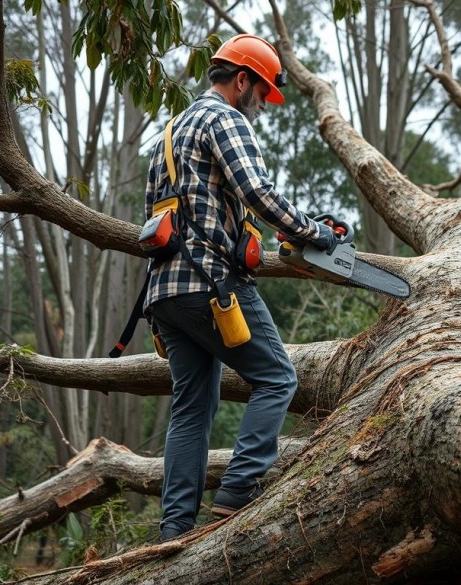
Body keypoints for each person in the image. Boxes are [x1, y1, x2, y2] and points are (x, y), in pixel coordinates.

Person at [143, 34, 338, 541]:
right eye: (262, 92)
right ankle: (239, 490)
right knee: (277, 378)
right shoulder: (224, 118)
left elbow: (167, 212)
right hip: (211, 285)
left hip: (164, 293)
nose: (261, 106)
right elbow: (256, 189)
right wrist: (312, 232)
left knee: (191, 407)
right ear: (243, 79)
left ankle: (175, 529)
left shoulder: (169, 132)